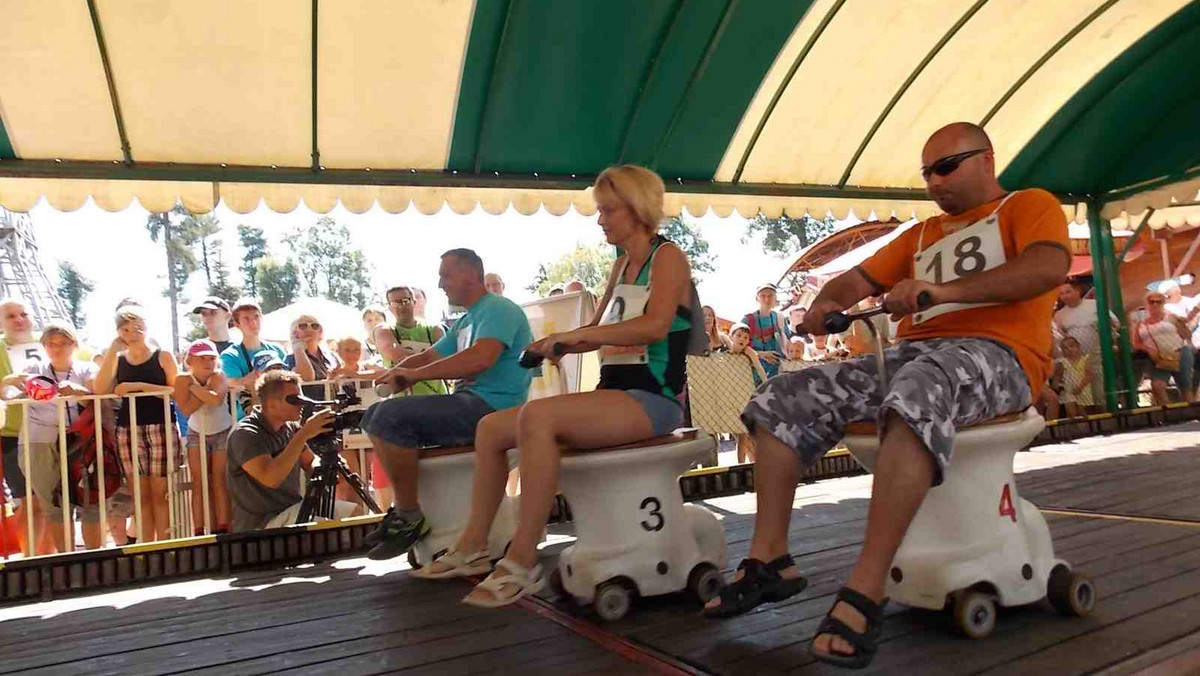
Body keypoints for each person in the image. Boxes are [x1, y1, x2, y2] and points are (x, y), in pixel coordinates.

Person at [708, 122, 1071, 670]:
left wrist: (941, 291)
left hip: (1002, 355)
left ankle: (867, 587)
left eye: (946, 167)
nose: (933, 182)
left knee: (917, 387)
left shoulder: (1028, 205)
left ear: (987, 159)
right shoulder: (920, 236)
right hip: (916, 359)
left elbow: (1048, 267)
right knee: (782, 396)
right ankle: (769, 559)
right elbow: (851, 284)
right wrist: (823, 305)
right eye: (927, 172)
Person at [415, 165, 694, 609]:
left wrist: (578, 338)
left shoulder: (669, 257)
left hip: (654, 399)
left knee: (538, 416)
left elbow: (656, 325)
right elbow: (600, 327)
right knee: (490, 428)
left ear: (637, 208)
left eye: (607, 210)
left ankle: (522, 561)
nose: (600, 219)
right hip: (615, 393)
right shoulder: (622, 265)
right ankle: (473, 547)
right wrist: (554, 343)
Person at [360, 248, 533, 560]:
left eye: (445, 276)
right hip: (471, 405)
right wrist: (399, 371)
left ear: (470, 274)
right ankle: (409, 512)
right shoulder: (468, 319)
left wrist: (412, 375)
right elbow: (430, 355)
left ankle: (410, 515)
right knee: (374, 415)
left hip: (492, 409)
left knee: (389, 417)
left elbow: (480, 358)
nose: (440, 284)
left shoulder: (499, 309)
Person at [2, 322, 100, 552]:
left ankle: (96, 558)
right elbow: (7, 394)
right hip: (39, 440)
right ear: (44, 346)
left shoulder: (87, 369)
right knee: (54, 505)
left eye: (63, 343)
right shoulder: (32, 368)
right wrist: (10, 380)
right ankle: (65, 560)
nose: (57, 349)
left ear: (73, 344)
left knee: (90, 502)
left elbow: (97, 398)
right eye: (51, 344)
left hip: (80, 438)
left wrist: (79, 392)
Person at [226, 369, 358, 531]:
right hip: (263, 522)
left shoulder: (289, 428)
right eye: (295, 400)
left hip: (293, 509)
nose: (302, 404)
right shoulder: (246, 434)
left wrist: (329, 464)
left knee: (355, 513)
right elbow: (270, 478)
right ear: (272, 404)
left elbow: (309, 461)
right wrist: (303, 434)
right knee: (322, 527)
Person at [94, 305, 180, 542]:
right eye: (126, 329)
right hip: (128, 429)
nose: (133, 332)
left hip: (160, 425)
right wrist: (113, 349)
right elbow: (100, 388)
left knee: (160, 493)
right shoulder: (118, 360)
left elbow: (176, 390)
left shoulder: (162, 355)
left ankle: (165, 547)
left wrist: (137, 387)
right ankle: (145, 548)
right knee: (139, 495)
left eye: (138, 326)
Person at [0, 298, 48, 554]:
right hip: (13, 437)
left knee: (51, 504)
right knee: (30, 503)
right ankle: (28, 562)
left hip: (53, 434)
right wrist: (6, 382)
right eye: (10, 316)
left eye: (23, 313)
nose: (19, 320)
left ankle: (52, 561)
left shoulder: (50, 342)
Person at [174, 339, 232, 535]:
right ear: (190, 361)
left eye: (211, 358)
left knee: (219, 479)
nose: (208, 362)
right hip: (196, 432)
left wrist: (195, 389)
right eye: (201, 358)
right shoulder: (182, 379)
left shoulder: (219, 375)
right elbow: (186, 409)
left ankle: (223, 528)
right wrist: (204, 393)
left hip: (222, 430)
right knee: (199, 481)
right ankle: (199, 530)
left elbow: (216, 399)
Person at [220, 299, 288, 420]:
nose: (253, 322)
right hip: (248, 419)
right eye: (246, 319)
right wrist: (250, 379)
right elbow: (229, 383)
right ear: (237, 324)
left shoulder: (277, 350)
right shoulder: (230, 356)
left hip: (281, 414)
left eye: (256, 317)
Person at [1054, 281, 1115, 410]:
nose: (1064, 296)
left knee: (1098, 387)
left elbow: (1114, 323)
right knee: (1078, 392)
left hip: (1096, 353)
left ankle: (1104, 417)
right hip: (1073, 361)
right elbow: (1061, 336)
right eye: (1061, 293)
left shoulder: (1095, 305)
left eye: (1068, 291)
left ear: (1078, 291)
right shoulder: (1059, 315)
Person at [1133, 290, 1196, 404]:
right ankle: (1171, 413)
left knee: (1185, 388)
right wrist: (1148, 349)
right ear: (1146, 304)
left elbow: (1186, 334)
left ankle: (1191, 416)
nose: (1155, 304)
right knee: (1157, 386)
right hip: (1159, 358)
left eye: (1159, 301)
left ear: (1163, 303)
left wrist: (1184, 325)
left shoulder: (1172, 317)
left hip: (1180, 353)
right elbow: (1136, 343)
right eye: (1151, 301)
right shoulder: (1141, 324)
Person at [728, 323, 767, 464]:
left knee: (746, 433)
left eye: (745, 337)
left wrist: (767, 383)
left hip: (745, 394)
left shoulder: (749, 352)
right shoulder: (724, 352)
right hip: (730, 395)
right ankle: (744, 464)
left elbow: (759, 368)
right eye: (738, 335)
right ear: (731, 337)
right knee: (740, 434)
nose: (742, 339)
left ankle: (747, 464)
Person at [285, 313, 342, 400]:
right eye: (303, 326)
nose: (309, 329)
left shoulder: (332, 357)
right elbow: (306, 377)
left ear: (320, 332)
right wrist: (298, 349)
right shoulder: (290, 359)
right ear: (295, 333)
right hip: (309, 410)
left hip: (335, 406)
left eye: (314, 326)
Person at [742, 284, 788, 378]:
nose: (767, 299)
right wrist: (760, 354)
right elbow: (737, 346)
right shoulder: (748, 319)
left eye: (770, 295)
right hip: (753, 370)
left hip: (778, 371)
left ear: (775, 298)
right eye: (763, 296)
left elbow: (788, 344)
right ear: (757, 298)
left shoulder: (780, 318)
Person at [1057, 336, 1093, 417]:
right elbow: (1059, 376)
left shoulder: (1086, 359)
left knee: (1082, 411)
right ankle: (1072, 427)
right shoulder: (1063, 362)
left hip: (1083, 388)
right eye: (1065, 348)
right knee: (1071, 412)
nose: (1069, 349)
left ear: (1078, 346)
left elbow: (1089, 375)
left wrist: (1080, 387)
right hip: (1069, 390)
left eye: (1072, 346)